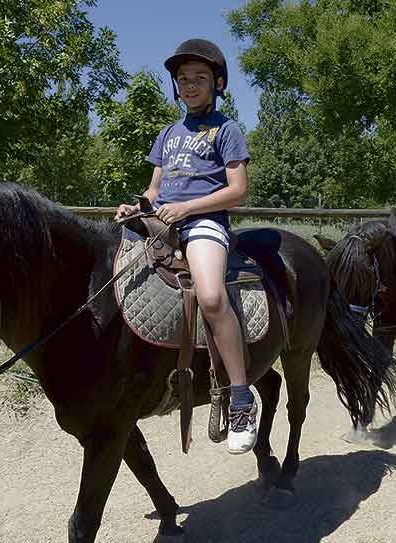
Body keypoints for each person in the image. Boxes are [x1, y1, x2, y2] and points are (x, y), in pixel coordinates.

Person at [115, 39, 256, 454]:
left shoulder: (227, 130)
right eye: (183, 80)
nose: (190, 86)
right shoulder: (168, 134)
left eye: (199, 78)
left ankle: (242, 397)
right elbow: (155, 190)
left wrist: (187, 209)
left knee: (211, 297)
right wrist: (137, 206)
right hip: (165, 219)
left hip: (205, 222)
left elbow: (238, 190)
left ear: (217, 82)